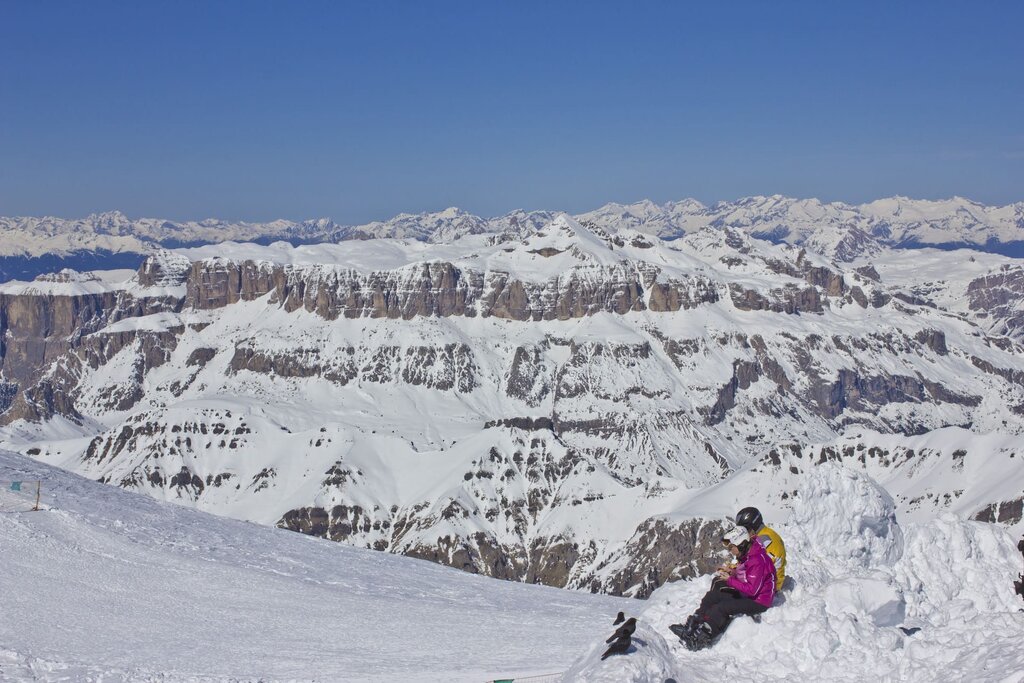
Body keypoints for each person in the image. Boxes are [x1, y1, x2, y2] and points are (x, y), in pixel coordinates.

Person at [669, 525, 776, 650]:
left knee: (723, 607)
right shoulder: (748, 555)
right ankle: (695, 624)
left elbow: (752, 590)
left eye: (732, 547)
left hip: (759, 601)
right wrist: (733, 572)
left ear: (741, 543)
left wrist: (729, 580)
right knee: (713, 596)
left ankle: (701, 638)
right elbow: (747, 576)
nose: (731, 551)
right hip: (749, 596)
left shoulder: (757, 560)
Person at [735, 506, 787, 592]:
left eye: (745, 529)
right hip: (769, 581)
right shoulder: (766, 534)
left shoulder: (763, 540)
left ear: (752, 526)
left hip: (768, 587)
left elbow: (756, 565)